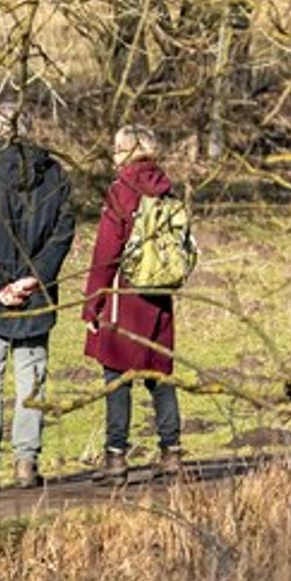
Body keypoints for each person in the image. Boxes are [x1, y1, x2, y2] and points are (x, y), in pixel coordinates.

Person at [0, 99, 75, 493]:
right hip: (36, 294)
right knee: (31, 382)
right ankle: (26, 462)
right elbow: (62, 233)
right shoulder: (55, 173)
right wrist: (34, 278)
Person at [83, 124, 184, 483]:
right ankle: (171, 453)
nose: (112, 154)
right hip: (159, 294)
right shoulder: (168, 190)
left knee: (116, 375)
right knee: (160, 374)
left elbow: (105, 252)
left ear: (127, 150)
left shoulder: (122, 191)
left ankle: (116, 458)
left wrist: (92, 302)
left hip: (123, 296)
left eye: (116, 147)